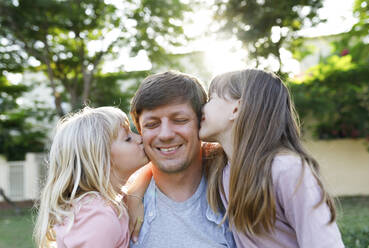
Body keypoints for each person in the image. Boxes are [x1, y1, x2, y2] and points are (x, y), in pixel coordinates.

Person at [199, 69, 345, 247]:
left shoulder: (286, 169)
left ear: (236, 109)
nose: (202, 108)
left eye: (211, 98)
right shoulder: (221, 167)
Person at [129, 71, 235, 248]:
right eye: (152, 124)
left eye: (179, 120)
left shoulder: (235, 189)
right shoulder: (120, 214)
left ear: (201, 123)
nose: (165, 135)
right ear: (140, 132)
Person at [33, 106, 149, 248]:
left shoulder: (103, 203)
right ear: (102, 159)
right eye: (128, 138)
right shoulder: (99, 217)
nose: (140, 138)